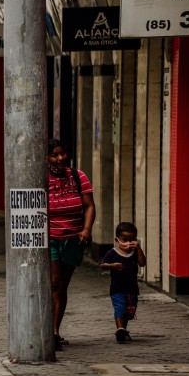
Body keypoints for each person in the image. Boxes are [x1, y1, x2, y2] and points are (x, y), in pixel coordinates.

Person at [47, 139, 96, 350]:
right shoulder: (40, 178)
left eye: (62, 154)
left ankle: (55, 328)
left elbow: (89, 206)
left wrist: (86, 229)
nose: (59, 158)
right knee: (55, 283)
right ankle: (51, 332)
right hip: (49, 239)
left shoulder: (78, 176)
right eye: (54, 155)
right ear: (46, 158)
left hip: (74, 239)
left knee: (63, 286)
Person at [100, 222, 146, 343]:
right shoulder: (112, 252)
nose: (128, 242)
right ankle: (119, 328)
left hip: (132, 289)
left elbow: (142, 263)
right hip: (117, 288)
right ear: (117, 239)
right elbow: (103, 265)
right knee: (120, 308)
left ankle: (122, 330)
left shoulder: (135, 252)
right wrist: (112, 266)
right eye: (124, 239)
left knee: (129, 310)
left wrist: (139, 248)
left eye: (131, 240)